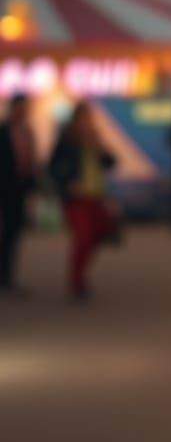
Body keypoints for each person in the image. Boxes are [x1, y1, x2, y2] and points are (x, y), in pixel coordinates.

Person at [48, 101, 120, 301]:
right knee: (83, 237)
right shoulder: (67, 142)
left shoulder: (94, 140)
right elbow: (53, 167)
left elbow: (111, 163)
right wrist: (68, 182)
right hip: (76, 198)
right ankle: (77, 280)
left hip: (96, 195)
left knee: (97, 234)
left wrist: (99, 146)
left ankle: (80, 275)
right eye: (83, 118)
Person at [0, 93, 38, 295]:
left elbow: (30, 161)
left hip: (20, 189)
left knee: (13, 232)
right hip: (4, 188)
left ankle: (6, 275)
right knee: (7, 232)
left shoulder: (27, 132)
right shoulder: (3, 131)